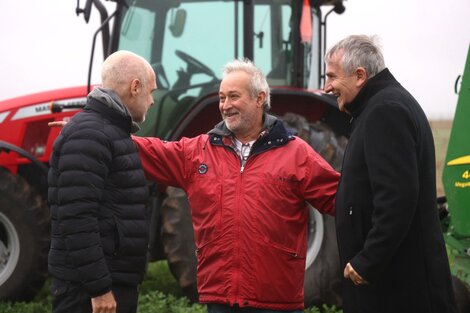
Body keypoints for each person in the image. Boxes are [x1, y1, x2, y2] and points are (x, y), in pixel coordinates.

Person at [133, 58, 340, 312]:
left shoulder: (296, 154)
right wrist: (96, 130)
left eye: (233, 96)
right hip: (221, 300)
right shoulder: (199, 152)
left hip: (276, 302)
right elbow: (147, 151)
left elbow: (343, 201)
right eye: (221, 98)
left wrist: (372, 253)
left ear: (259, 98)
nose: (225, 106)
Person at [324, 34, 457, 313]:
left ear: (360, 75)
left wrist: (367, 261)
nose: (327, 87)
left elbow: (397, 199)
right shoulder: (377, 108)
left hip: (397, 290)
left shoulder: (385, 111)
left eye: (333, 77)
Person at [48, 50, 157, 313]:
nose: (152, 100)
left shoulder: (107, 132)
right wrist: (99, 289)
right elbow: (77, 218)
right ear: (135, 87)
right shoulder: (91, 134)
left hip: (112, 278)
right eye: (151, 91)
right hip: (90, 291)